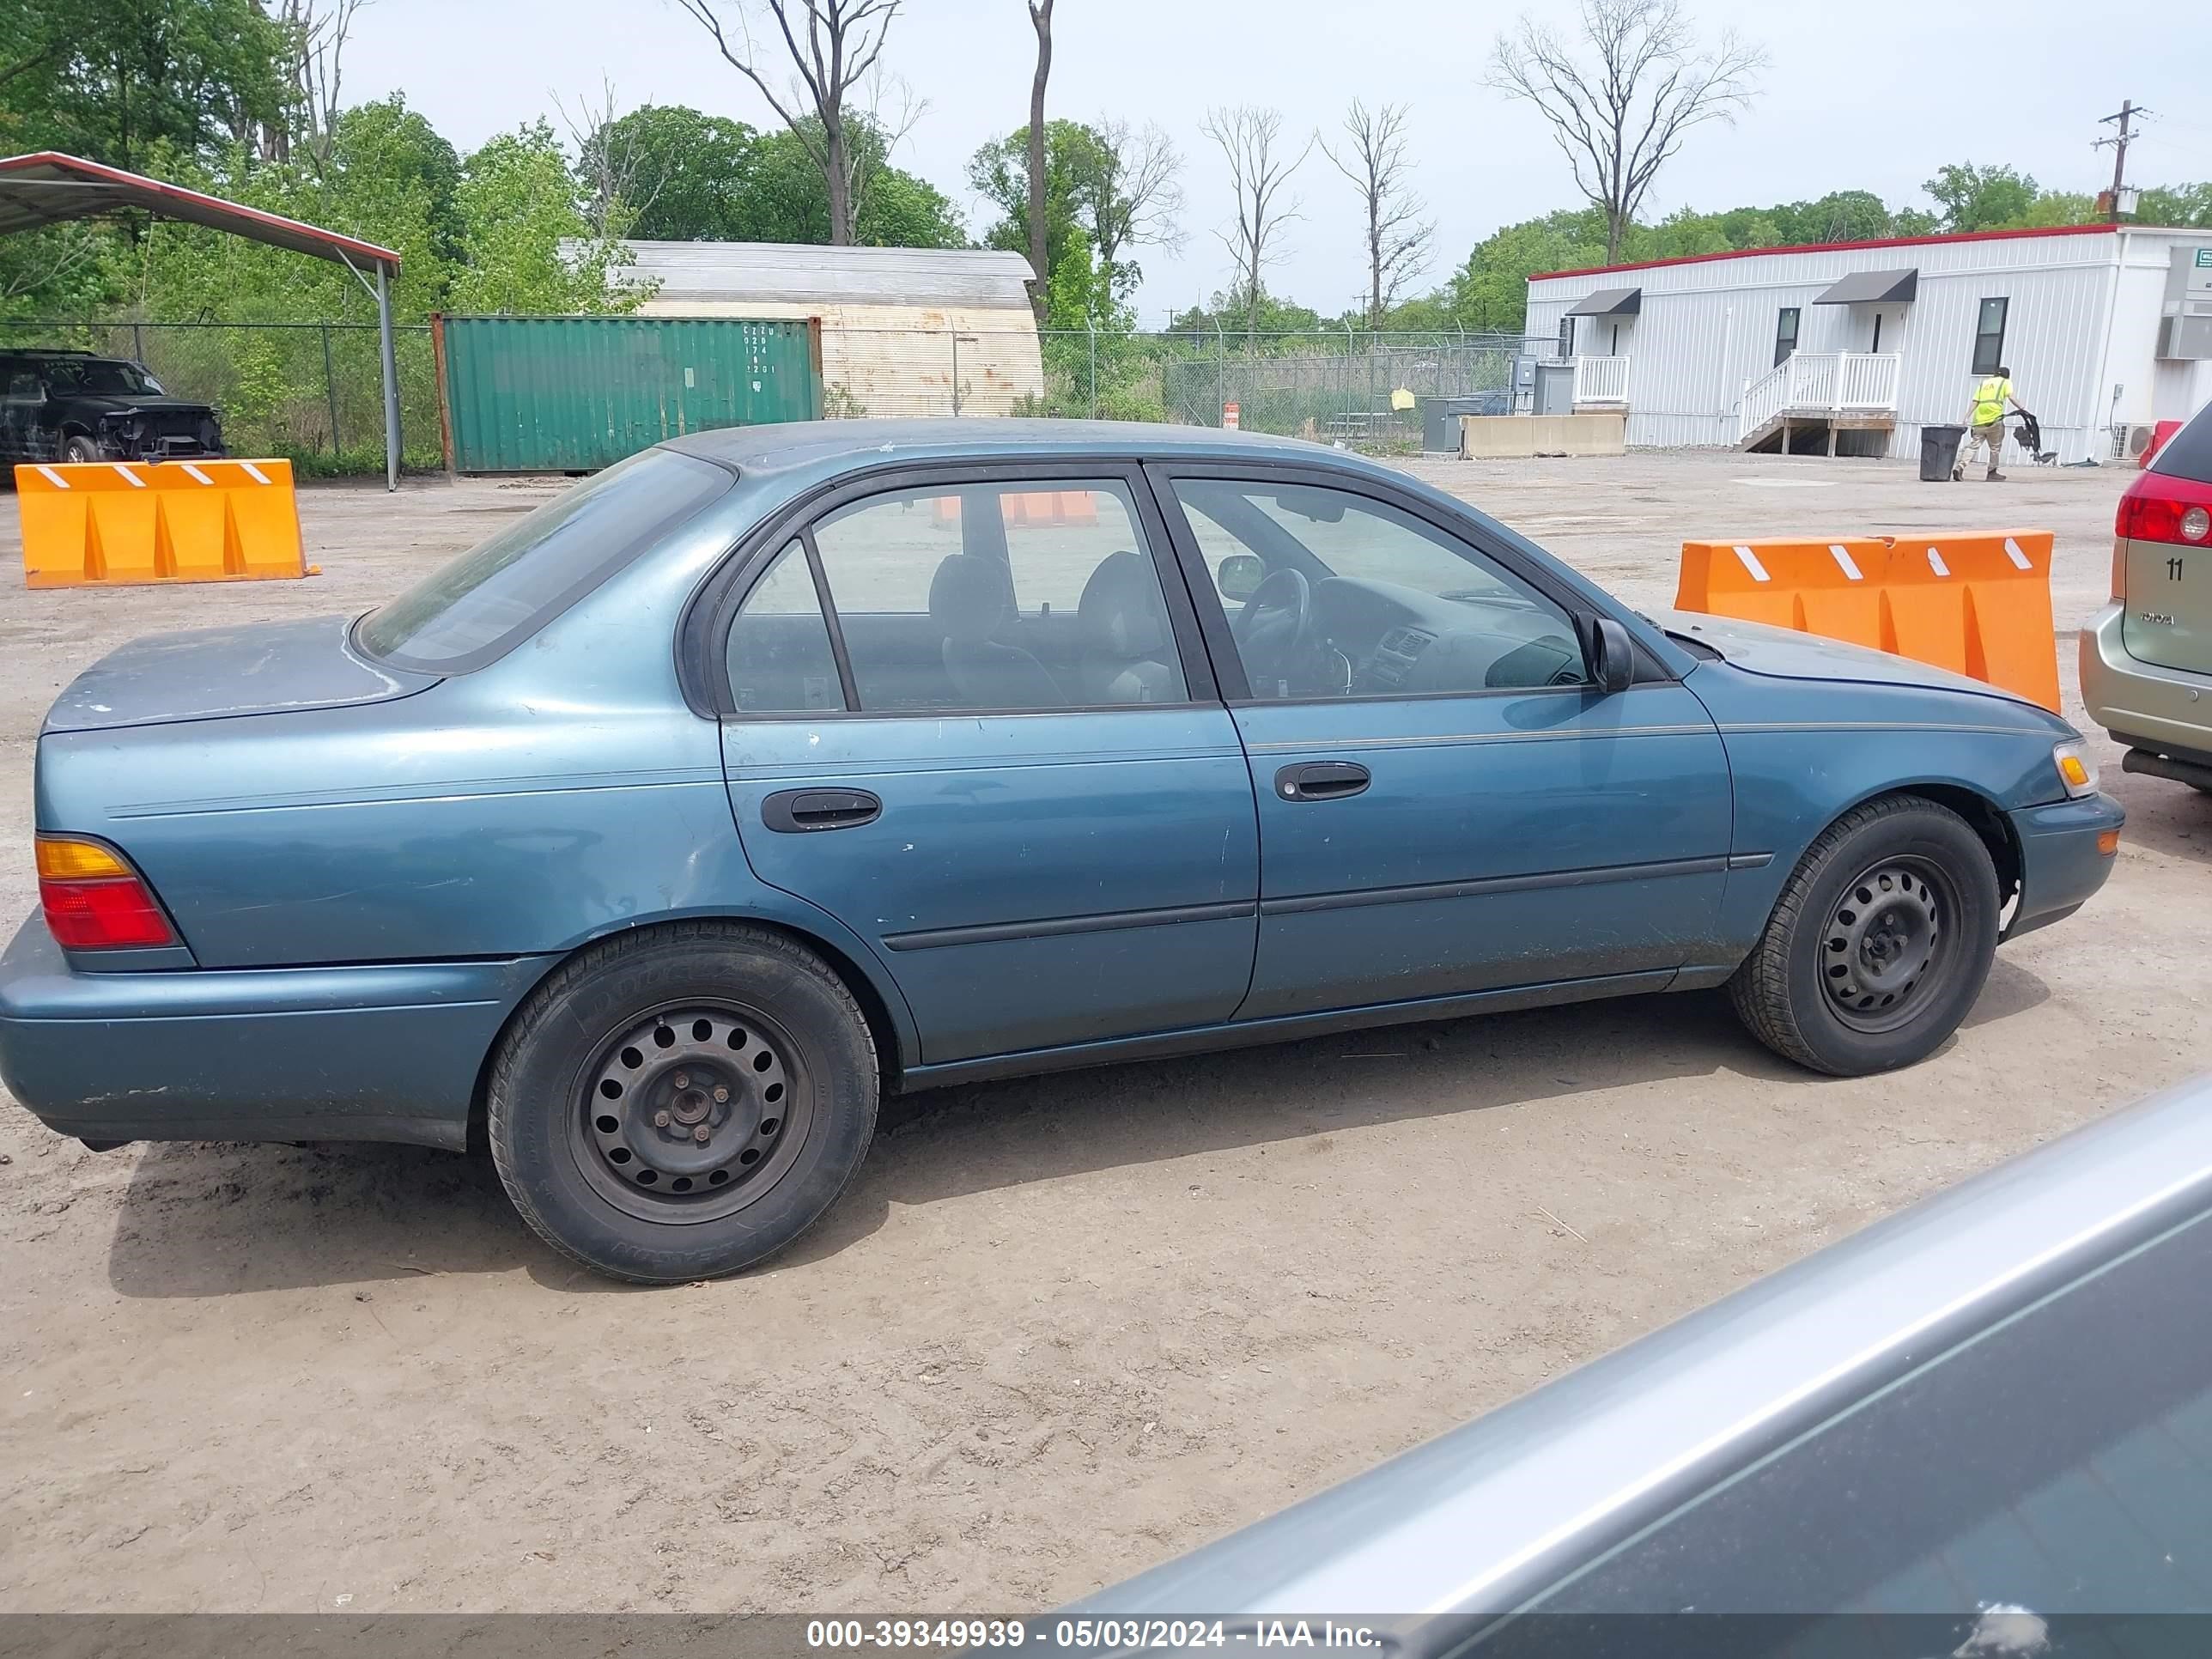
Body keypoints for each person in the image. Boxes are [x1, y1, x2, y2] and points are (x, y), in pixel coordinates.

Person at [1959, 365, 2020, 482]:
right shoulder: (2006, 382)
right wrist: (2022, 408)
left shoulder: (1984, 384)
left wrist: (1967, 416)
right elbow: (2011, 397)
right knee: (1995, 448)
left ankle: (1960, 467)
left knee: (1973, 446)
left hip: (1979, 420)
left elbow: (1975, 402)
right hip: (1994, 419)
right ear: (2007, 376)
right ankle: (1992, 473)